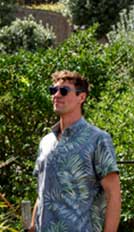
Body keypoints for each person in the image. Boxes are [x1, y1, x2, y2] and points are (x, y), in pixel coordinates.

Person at [29, 70, 121, 232]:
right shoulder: (46, 142)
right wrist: (31, 228)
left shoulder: (97, 139)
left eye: (64, 91)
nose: (57, 95)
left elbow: (113, 194)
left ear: (82, 97)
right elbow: (42, 193)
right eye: (53, 90)